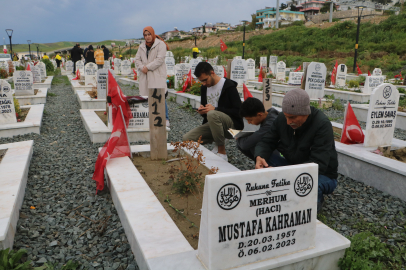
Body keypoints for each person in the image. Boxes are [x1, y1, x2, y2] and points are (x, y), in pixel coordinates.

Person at [254, 88, 338, 212]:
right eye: (286, 117)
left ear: (305, 112)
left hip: (322, 174)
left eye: (292, 118)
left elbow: (317, 164)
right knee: (265, 157)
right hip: (292, 165)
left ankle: (314, 203)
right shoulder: (282, 118)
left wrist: (283, 173)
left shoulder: (322, 125)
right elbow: (267, 141)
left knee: (310, 187)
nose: (288, 122)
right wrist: (259, 156)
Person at [182, 62, 243, 161]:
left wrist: (215, 109)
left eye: (205, 80)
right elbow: (208, 115)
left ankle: (221, 152)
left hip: (233, 127)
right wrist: (203, 112)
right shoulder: (204, 88)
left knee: (212, 113)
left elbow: (239, 111)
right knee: (187, 138)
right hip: (214, 123)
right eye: (202, 81)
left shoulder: (229, 86)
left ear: (212, 73)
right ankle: (199, 161)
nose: (204, 83)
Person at [135, 26, 170, 127]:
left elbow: (160, 59)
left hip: (156, 74)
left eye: (149, 34)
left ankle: (166, 118)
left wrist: (147, 67)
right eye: (145, 35)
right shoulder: (142, 46)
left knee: (160, 96)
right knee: (147, 96)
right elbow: (137, 59)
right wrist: (142, 68)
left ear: (153, 34)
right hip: (145, 75)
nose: (147, 37)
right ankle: (150, 118)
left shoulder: (160, 44)